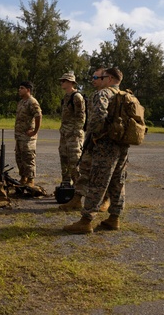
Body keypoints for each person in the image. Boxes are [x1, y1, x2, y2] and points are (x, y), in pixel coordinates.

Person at [64, 68, 130, 233]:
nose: (97, 80)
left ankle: (86, 221)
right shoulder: (126, 96)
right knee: (118, 182)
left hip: (105, 145)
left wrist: (96, 136)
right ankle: (114, 218)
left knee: (97, 182)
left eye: (99, 77)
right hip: (123, 144)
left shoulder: (103, 94)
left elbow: (97, 118)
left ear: (109, 78)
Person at [58, 72, 85, 187]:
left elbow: (81, 116)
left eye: (63, 81)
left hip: (73, 135)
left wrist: (76, 132)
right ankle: (66, 183)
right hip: (65, 133)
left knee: (74, 161)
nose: (61, 83)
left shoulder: (76, 96)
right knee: (64, 158)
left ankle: (78, 187)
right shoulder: (66, 97)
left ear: (70, 82)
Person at [15, 81, 42, 186]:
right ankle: (23, 177)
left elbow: (38, 115)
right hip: (19, 136)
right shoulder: (21, 102)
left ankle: (30, 180)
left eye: (21, 88)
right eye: (19, 88)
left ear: (28, 90)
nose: (19, 90)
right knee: (19, 158)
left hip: (28, 137)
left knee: (28, 158)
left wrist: (35, 131)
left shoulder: (32, 102)